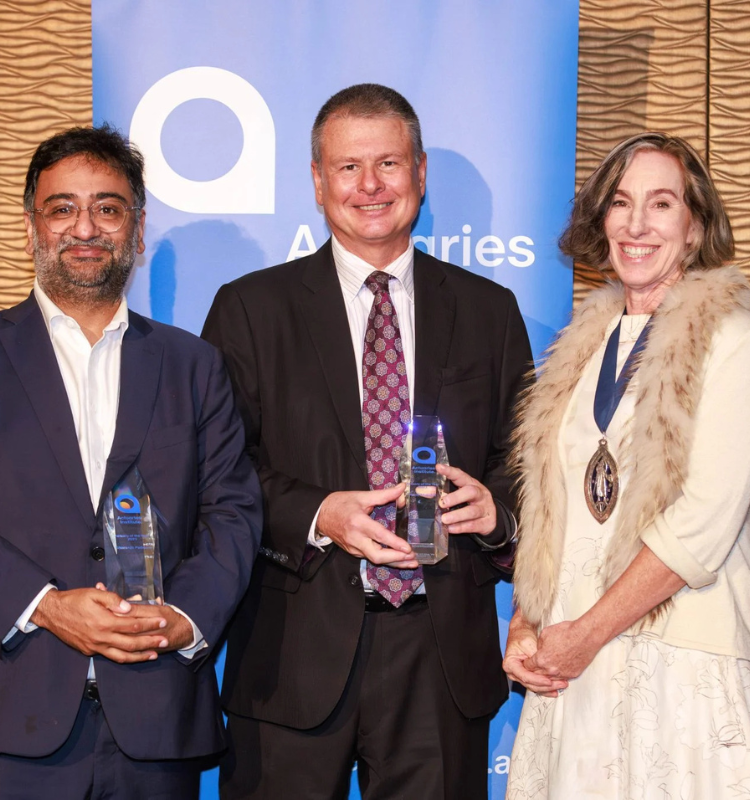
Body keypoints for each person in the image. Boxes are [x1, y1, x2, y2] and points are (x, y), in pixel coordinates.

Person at [202, 83, 532, 799]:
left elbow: (524, 461)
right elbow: (220, 470)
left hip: (441, 654)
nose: (370, 185)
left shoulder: (489, 310)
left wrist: (497, 509)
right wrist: (321, 514)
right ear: (318, 181)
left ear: (420, 173)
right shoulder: (250, 308)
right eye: (348, 167)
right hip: (293, 651)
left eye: (389, 163)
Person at [0, 125, 262, 799]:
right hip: (2, 722)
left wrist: (184, 618)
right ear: (31, 227)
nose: (86, 228)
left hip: (156, 724)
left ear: (138, 230)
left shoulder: (193, 365)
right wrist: (45, 606)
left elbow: (233, 512)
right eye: (62, 208)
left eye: (109, 208)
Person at [504, 132, 750, 798]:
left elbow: (704, 523)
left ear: (695, 227)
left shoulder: (733, 339)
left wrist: (586, 633)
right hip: (571, 665)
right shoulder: (581, 348)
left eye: (661, 204)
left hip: (676, 666)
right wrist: (528, 622)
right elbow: (551, 508)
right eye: (620, 202)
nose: (637, 224)